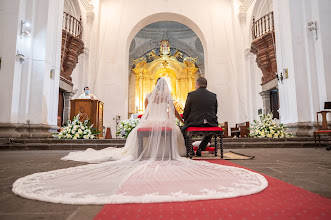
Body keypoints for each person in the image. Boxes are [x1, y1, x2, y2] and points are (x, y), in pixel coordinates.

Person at [12, 77, 267, 205]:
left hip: (149, 123)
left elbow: (149, 113)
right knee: (179, 131)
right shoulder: (185, 96)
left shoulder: (147, 97)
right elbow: (176, 113)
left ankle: (147, 153)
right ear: (166, 88)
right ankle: (191, 151)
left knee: (138, 134)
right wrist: (179, 119)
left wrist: (182, 118)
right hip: (180, 122)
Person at [182, 77, 218, 156]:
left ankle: (190, 150)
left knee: (183, 130)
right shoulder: (213, 95)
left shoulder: (191, 95)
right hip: (210, 121)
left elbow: (187, 110)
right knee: (211, 130)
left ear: (197, 85)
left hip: (195, 122)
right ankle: (201, 148)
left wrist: (185, 119)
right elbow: (215, 111)